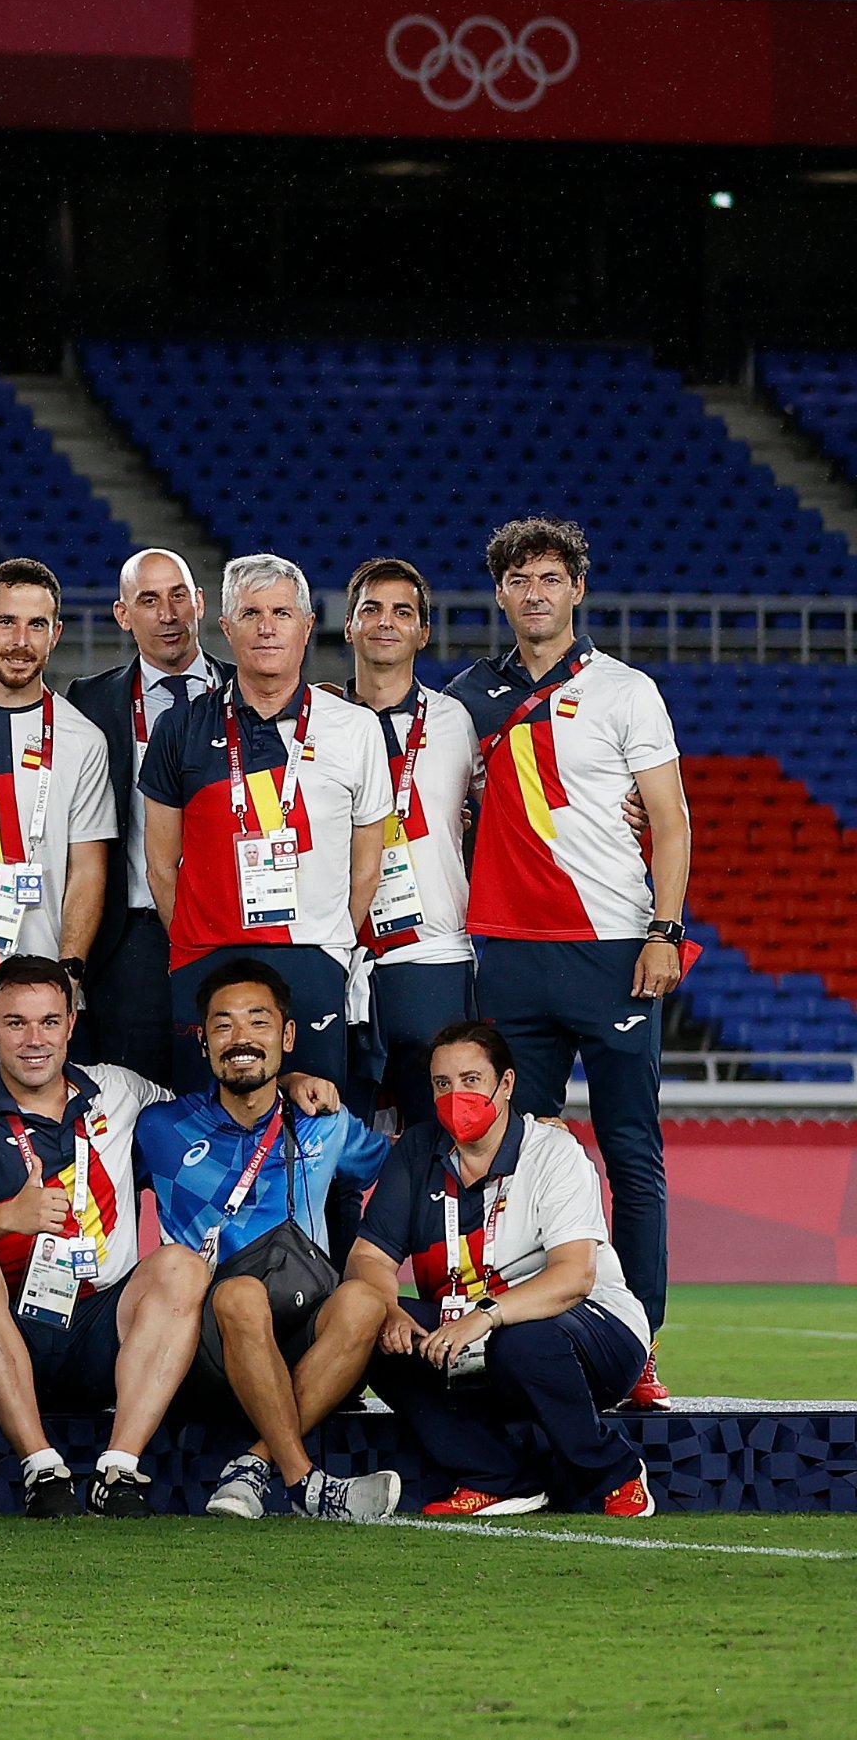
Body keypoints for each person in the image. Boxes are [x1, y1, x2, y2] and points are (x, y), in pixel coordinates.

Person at [447, 515, 687, 1389]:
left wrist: (666, 929)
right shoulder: (463, 698)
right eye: (521, 580)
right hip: (506, 952)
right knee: (517, 1160)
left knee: (630, 1151)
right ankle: (511, 1341)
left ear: (577, 590)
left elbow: (670, 819)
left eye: (552, 579)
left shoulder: (627, 690)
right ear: (502, 593)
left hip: (613, 948)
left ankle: (640, 1343)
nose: (536, 594)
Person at [0, 953, 185, 1516]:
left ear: (72, 1023)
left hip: (103, 1324)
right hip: (11, 1331)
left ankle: (120, 1469)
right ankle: (41, 1467)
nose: (34, 1040)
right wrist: (9, 1216)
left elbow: (208, 1114)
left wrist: (291, 1080)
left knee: (181, 1266)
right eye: (15, 1023)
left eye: (49, 1022)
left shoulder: (119, 1090)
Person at [351, 1021, 660, 1519]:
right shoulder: (416, 1150)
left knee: (524, 1340)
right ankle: (496, 1478)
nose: (456, 1096)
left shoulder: (554, 1153)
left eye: (471, 1080)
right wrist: (387, 1310)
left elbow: (573, 1277)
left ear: (507, 1084)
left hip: (593, 1331)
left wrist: (485, 1316)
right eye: (442, 1084)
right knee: (363, 1324)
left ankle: (614, 1471)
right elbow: (368, 1257)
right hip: (473, 1333)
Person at [134, 956, 397, 1520]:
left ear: (288, 1035)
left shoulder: (323, 1122)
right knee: (241, 1294)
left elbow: (407, 1167)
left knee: (364, 1300)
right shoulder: (159, 1128)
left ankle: (254, 1464)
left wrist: (521, 1127)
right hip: (205, 1340)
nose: (241, 1039)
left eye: (258, 1021)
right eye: (223, 1025)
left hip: (301, 1330)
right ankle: (305, 1482)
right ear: (202, 1042)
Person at [140, 555, 394, 1102]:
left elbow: (367, 865)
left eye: (282, 611)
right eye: (250, 613)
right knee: (205, 1134)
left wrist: (326, 943)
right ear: (226, 628)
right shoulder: (179, 726)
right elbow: (161, 864)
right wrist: (196, 936)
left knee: (316, 1132)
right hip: (204, 959)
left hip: (313, 958)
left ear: (306, 624)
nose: (266, 626)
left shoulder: (356, 728)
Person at [0, 560, 117, 1109]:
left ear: (57, 634)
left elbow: (88, 869)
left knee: (26, 1153)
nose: (20, 640)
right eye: (6, 622)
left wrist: (69, 973)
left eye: (37, 625)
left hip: (33, 995)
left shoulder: (81, 739)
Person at [63, 549, 216, 1086]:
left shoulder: (248, 692)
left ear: (199, 602)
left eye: (178, 596)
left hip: (223, 931)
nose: (167, 614)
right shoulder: (88, 701)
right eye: (148, 601)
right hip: (132, 938)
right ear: (123, 614)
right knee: (133, 1100)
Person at [347, 557, 477, 1097]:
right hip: (342, 956)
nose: (385, 621)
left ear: (423, 632)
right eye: (370, 609)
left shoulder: (457, 721)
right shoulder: (315, 723)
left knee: (438, 1141)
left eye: (402, 611)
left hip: (433, 957)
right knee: (337, 1146)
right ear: (349, 623)